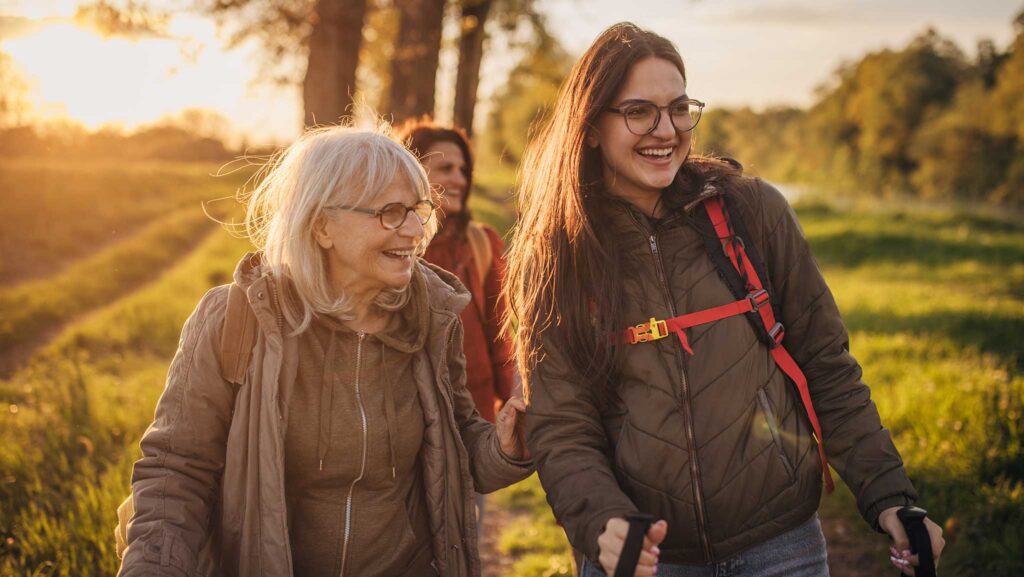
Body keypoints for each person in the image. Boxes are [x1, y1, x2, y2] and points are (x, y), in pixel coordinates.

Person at [505, 23, 944, 577]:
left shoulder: (753, 212)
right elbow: (562, 422)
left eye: (679, 107)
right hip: (645, 558)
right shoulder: (557, 253)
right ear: (591, 126)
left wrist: (892, 499)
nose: (666, 130)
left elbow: (828, 368)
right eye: (639, 111)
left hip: (781, 547)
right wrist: (601, 522)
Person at [117, 123, 532, 577]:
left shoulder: (431, 318)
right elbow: (176, 471)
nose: (415, 229)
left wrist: (506, 447)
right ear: (322, 225)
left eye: (417, 209)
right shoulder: (235, 320)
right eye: (391, 212)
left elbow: (456, 451)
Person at [395, 118, 518, 540]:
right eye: (445, 168)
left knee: (460, 539)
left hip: (471, 419)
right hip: (400, 421)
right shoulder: (392, 245)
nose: (459, 179)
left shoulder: (482, 242)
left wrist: (518, 403)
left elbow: (498, 334)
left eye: (463, 169)